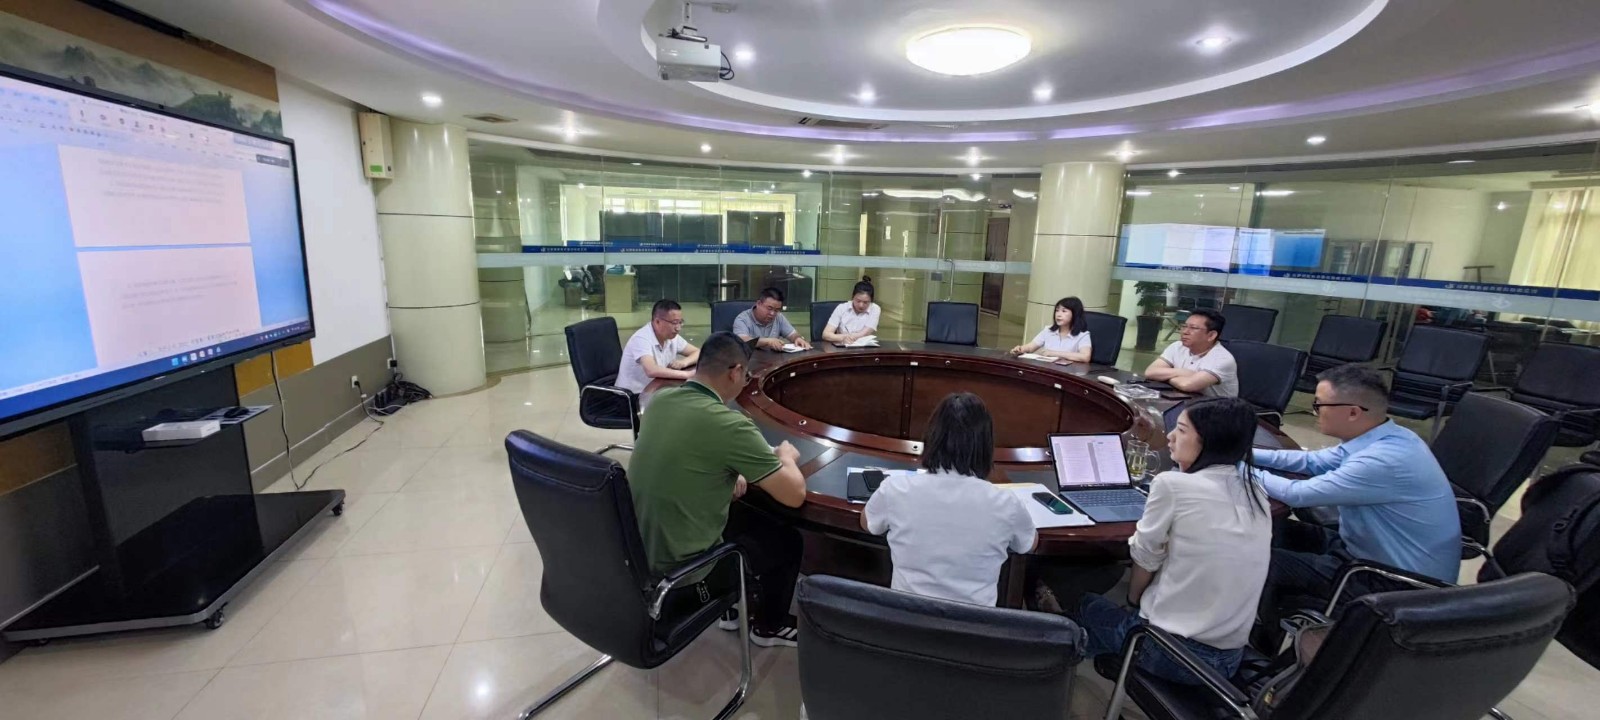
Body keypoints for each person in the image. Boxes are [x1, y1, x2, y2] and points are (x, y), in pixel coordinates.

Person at [1066, 397, 1271, 684]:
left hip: (1170, 653)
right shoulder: (1255, 490)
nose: (1170, 436)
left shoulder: (1172, 485)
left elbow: (1145, 557)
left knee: (1083, 602)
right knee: (1109, 618)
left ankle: (1056, 665)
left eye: (1182, 430)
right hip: (1227, 660)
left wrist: (1133, 601)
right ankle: (1095, 650)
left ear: (1209, 442)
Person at [628, 332, 809, 647]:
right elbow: (794, 495)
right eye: (747, 376)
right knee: (786, 540)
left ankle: (732, 609)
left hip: (639, 558)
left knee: (740, 509)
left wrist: (728, 470)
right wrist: (786, 457)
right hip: (683, 579)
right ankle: (769, 626)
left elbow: (689, 455)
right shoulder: (731, 425)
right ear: (735, 372)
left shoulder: (661, 400)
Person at [1254, 363, 1460, 614]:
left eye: (1319, 405)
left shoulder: (1383, 460)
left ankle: (1258, 631)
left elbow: (1296, 494)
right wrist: (1243, 453)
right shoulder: (1388, 436)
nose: (1314, 412)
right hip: (1360, 550)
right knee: (1260, 529)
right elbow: (1311, 462)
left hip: (1392, 582)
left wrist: (1237, 467)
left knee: (1247, 560)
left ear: (1352, 412)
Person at [860, 392, 1036, 606]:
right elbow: (1029, 543)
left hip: (905, 621)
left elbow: (867, 523)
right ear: (985, 446)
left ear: (931, 437)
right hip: (972, 624)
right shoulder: (1006, 504)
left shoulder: (896, 489)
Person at [1143, 308, 1238, 397]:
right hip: (1184, 398)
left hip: (1215, 406)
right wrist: (1182, 372)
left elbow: (1187, 385)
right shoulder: (1177, 346)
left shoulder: (1222, 359)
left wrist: (1164, 377)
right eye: (1184, 326)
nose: (1185, 332)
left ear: (1211, 335)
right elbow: (1150, 372)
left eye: (1193, 328)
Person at [617, 299, 700, 393]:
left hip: (657, 389)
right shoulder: (642, 338)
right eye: (674, 323)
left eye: (680, 322)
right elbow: (651, 370)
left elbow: (698, 352)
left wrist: (684, 362)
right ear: (657, 321)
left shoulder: (672, 336)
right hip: (634, 395)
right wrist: (686, 374)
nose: (678, 328)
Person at [1009, 296, 1093, 363]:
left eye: (1064, 311)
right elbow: (1031, 347)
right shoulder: (1048, 330)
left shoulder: (1083, 335)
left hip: (1068, 373)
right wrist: (1020, 349)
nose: (1058, 315)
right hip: (1047, 370)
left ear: (1075, 314)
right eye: (1057, 310)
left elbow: (1085, 357)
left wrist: (1053, 353)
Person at [733, 287, 812, 351]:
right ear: (758, 304)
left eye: (776, 310)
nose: (772, 313)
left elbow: (792, 334)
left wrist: (797, 338)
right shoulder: (742, 319)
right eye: (769, 308)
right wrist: (768, 341)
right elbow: (742, 341)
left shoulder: (778, 317)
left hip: (773, 361)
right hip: (750, 361)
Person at [822, 276, 881, 345]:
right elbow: (826, 334)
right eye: (858, 301)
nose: (861, 305)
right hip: (842, 347)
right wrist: (844, 338)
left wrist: (845, 337)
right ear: (852, 297)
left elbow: (864, 334)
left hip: (863, 348)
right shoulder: (841, 308)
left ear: (871, 301)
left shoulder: (875, 309)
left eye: (865, 302)